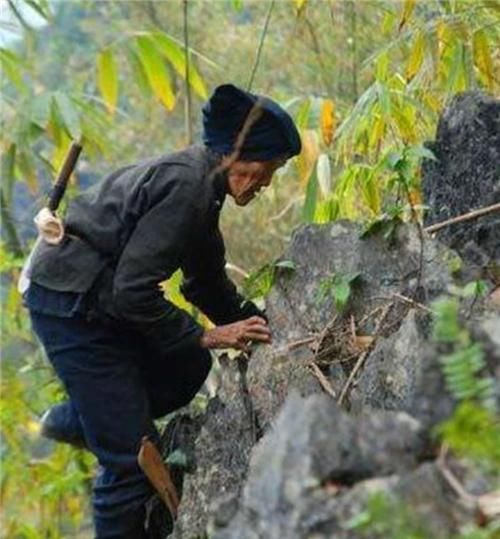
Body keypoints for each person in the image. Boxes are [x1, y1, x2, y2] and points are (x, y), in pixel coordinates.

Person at [23, 83, 301, 538]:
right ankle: (107, 429)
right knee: (132, 462)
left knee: (186, 363)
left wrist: (267, 325)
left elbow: (206, 284)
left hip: (97, 299)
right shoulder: (188, 189)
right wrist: (207, 334)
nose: (269, 181)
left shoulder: (204, 191)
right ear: (242, 160)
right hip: (70, 305)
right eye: (271, 166)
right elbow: (132, 293)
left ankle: (84, 418)